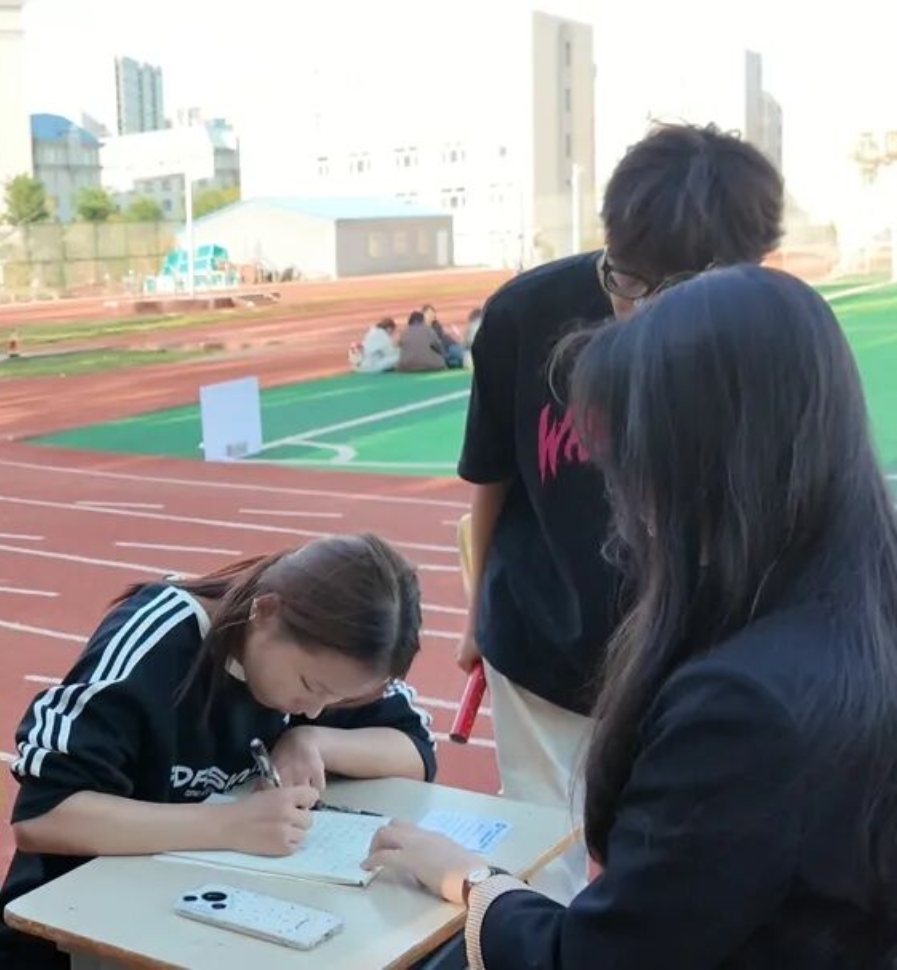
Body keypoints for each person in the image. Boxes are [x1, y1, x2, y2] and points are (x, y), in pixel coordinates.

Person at [371, 266, 897, 967]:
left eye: (626, 455)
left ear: (696, 460)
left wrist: (470, 881)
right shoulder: (854, 603)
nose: (621, 494)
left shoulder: (743, 707)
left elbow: (597, 959)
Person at [453, 123, 783, 900]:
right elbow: (493, 476)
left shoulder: (769, 342)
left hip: (698, 653)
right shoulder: (525, 313)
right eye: (624, 281)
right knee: (545, 858)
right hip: (543, 638)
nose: (638, 313)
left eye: (673, 292)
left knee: (681, 863)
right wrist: (475, 617)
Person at [0, 535, 438, 968]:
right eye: (310, 686)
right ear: (266, 612)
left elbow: (415, 751)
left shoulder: (325, 662)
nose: (315, 708)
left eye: (335, 699)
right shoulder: (157, 642)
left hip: (202, 922)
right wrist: (228, 825)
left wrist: (314, 739)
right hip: (72, 938)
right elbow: (44, 815)